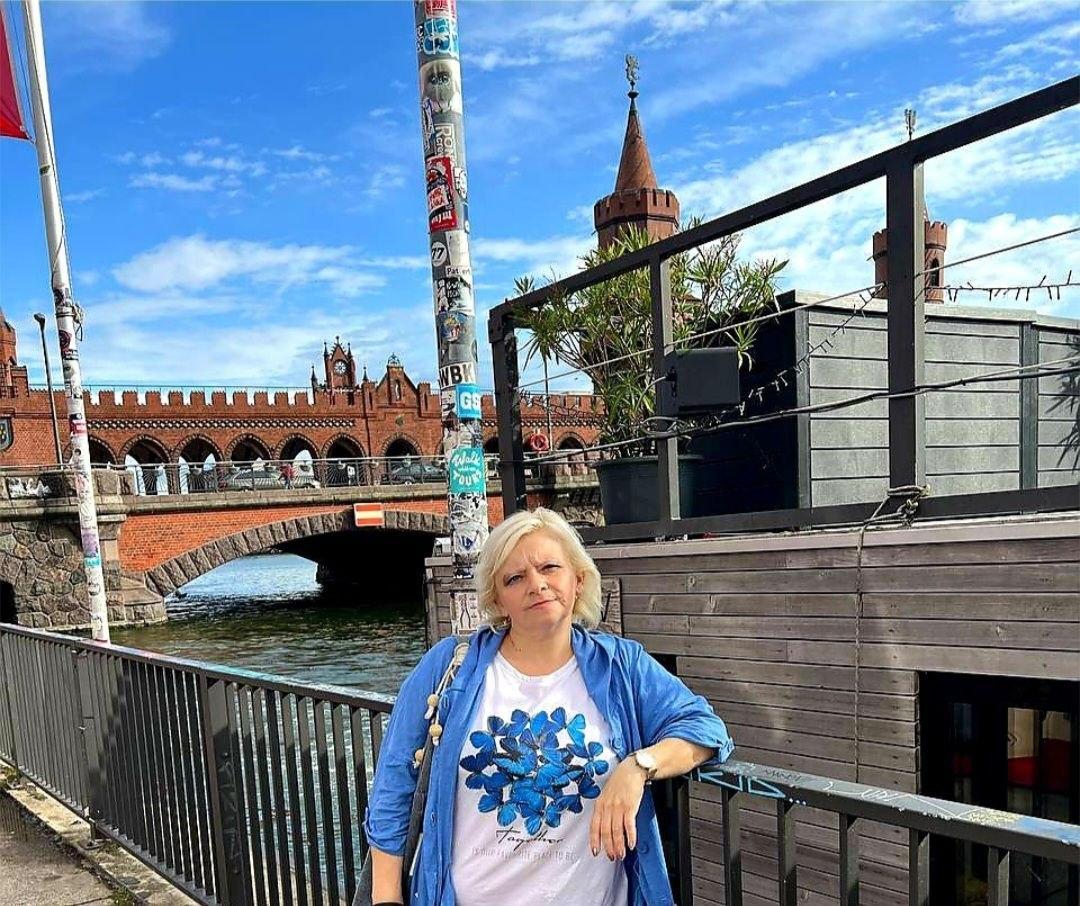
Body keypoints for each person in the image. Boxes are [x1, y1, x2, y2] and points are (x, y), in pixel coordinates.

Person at [363, 507, 733, 906]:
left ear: (578, 579)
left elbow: (704, 728)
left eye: (549, 568)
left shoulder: (620, 666)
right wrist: (386, 898)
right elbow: (394, 784)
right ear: (498, 599)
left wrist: (637, 767)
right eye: (515, 578)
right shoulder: (449, 667)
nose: (536, 585)